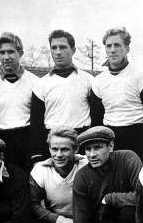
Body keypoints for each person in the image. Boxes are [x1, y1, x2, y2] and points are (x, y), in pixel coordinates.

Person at [90, 27, 143, 162]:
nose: (112, 50)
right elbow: (96, 119)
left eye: (117, 45)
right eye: (108, 46)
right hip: (111, 138)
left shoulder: (141, 77)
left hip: (137, 136)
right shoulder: (98, 81)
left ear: (127, 48)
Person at [30, 29, 97, 163]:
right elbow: (36, 122)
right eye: (54, 48)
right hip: (54, 142)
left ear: (73, 50)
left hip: (82, 139)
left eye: (63, 47)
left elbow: (96, 115)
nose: (58, 52)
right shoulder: (41, 83)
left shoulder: (88, 80)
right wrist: (37, 153)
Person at [0, 32, 39, 173]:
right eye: (2, 52)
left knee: (26, 186)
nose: (6, 57)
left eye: (11, 52)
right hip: (1, 141)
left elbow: (39, 119)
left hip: (26, 140)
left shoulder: (36, 82)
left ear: (20, 53)